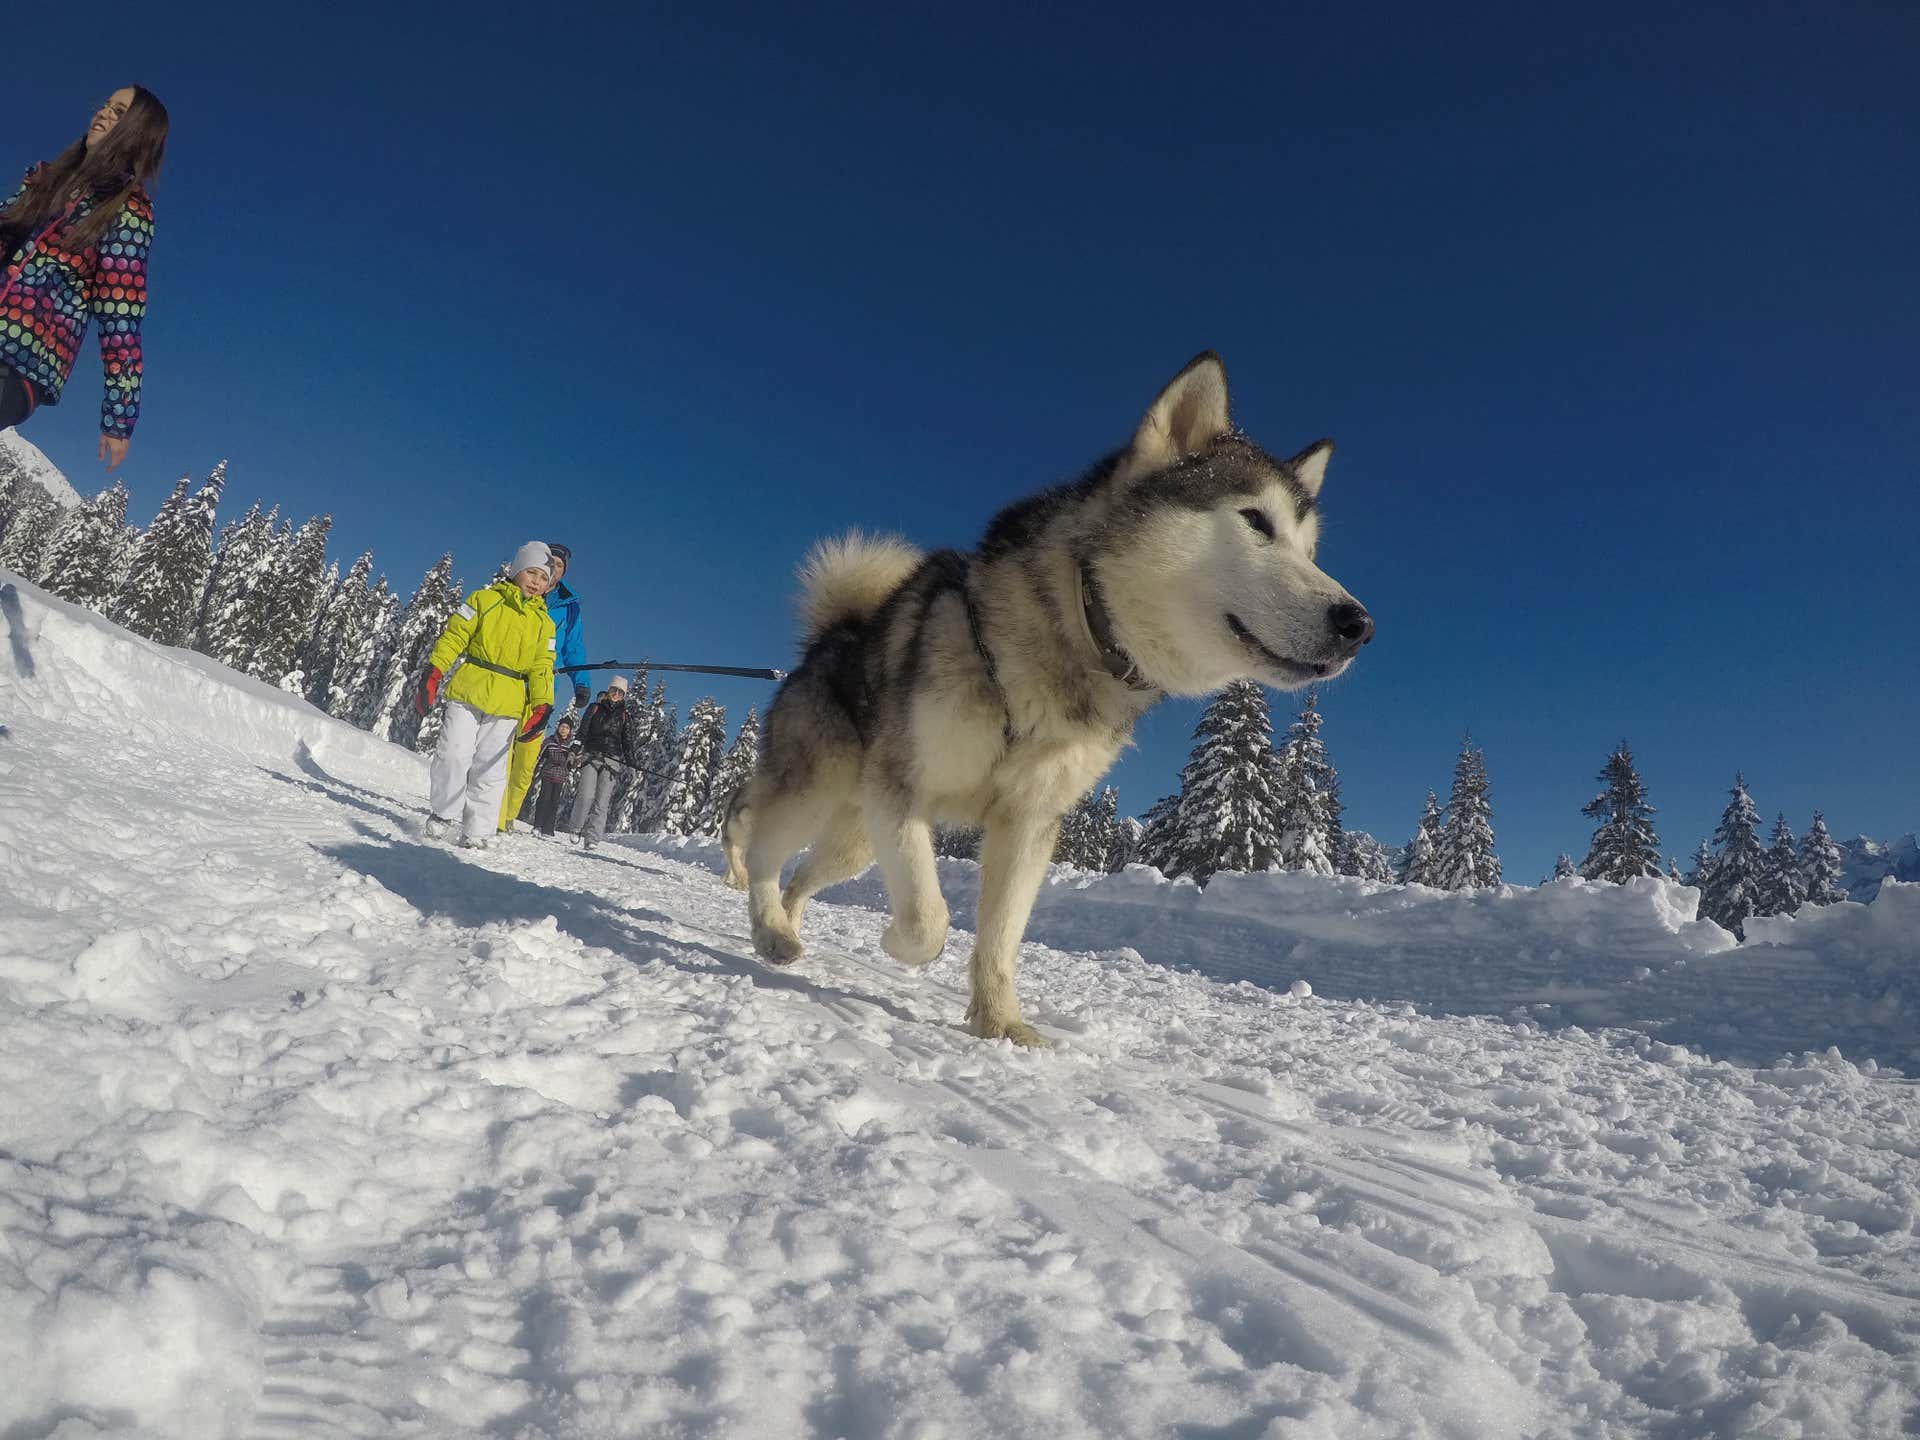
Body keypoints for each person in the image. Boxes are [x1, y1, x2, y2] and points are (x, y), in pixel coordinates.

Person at [0, 86, 167, 467]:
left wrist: (119, 416)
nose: (104, 113)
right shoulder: (48, 182)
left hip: (21, 366)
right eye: (105, 105)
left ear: (138, 133)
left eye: (119, 112)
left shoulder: (127, 213)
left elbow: (121, 319)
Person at [420, 542, 556, 849]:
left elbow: (542, 667)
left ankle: (478, 832)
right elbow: (455, 636)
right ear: (516, 570)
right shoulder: (484, 600)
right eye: (531, 572)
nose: (536, 582)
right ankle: (443, 814)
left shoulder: (544, 624)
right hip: (469, 689)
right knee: (453, 754)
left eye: (543, 578)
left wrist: (542, 704)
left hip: (508, 702)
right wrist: (435, 670)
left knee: (490, 770)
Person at [499, 539, 588, 832]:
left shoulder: (569, 607)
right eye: (550, 561)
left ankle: (508, 814)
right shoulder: (521, 587)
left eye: (559, 565)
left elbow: (573, 648)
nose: (553, 568)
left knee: (526, 757)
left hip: (544, 686)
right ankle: (492, 813)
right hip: (510, 678)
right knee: (500, 749)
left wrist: (581, 682)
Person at [569, 674, 632, 851]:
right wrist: (574, 750)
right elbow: (582, 732)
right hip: (591, 755)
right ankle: (576, 827)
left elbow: (627, 742)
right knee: (586, 795)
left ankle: (593, 838)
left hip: (612, 760)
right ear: (609, 689)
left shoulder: (625, 716)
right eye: (614, 690)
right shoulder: (595, 708)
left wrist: (631, 762)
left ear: (624, 696)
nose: (616, 694)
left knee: (602, 801)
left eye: (621, 692)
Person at [531, 715, 577, 836]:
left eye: (566, 728)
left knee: (554, 802)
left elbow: (573, 763)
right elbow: (540, 756)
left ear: (570, 731)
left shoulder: (570, 746)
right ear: (558, 727)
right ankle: (538, 825)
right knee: (544, 799)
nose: (564, 729)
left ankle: (548, 829)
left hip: (560, 776)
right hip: (548, 773)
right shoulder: (550, 741)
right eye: (562, 726)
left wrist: (572, 763)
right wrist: (535, 770)